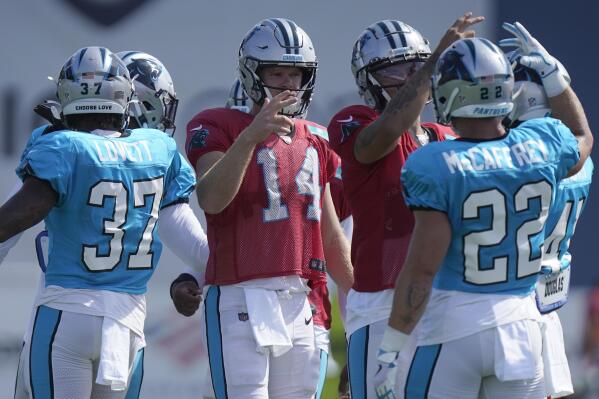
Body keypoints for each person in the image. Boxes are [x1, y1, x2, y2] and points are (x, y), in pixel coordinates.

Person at [375, 23, 592, 398]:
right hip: (522, 325)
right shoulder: (543, 144)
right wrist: (554, 78)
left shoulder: (434, 162)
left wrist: (390, 348)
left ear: (449, 95)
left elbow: (422, 268)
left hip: (454, 325)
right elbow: (582, 135)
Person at [0, 46, 197, 399]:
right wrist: (204, 274)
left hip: (65, 313)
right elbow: (188, 234)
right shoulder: (159, 149)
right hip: (127, 323)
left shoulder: (59, 145)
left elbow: (18, 217)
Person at [184, 17, 353, 399]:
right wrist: (250, 137)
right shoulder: (218, 124)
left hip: (303, 299)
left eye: (296, 74)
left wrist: (364, 322)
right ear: (251, 73)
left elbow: (330, 234)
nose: (288, 84)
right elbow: (210, 198)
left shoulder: (317, 138)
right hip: (240, 294)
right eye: (277, 73)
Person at [327, 15, 482, 398]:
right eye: (396, 69)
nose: (412, 76)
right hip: (380, 304)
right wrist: (431, 65)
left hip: (446, 301)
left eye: (416, 65)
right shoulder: (354, 123)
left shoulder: (447, 136)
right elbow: (383, 137)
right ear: (368, 80)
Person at [506, 52, 594, 399]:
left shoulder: (517, 155)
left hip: (511, 302)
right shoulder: (580, 157)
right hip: (548, 304)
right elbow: (581, 134)